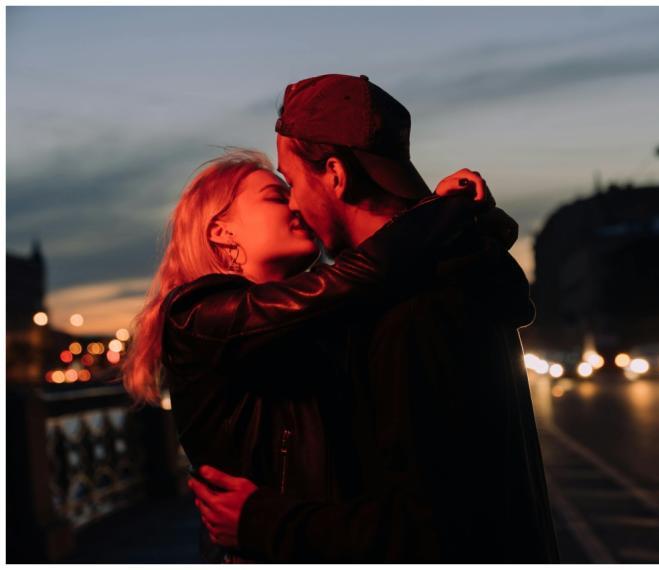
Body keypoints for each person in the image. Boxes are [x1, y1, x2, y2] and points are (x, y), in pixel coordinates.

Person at [189, 74, 559, 562]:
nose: (295, 203)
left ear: (336, 174)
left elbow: (434, 535)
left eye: (293, 181)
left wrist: (261, 521)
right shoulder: (449, 278)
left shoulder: (412, 310)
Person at [122, 147, 496, 562]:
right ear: (221, 231)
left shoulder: (316, 322)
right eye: (275, 196)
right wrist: (437, 212)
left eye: (292, 191)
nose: (296, 203)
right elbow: (357, 277)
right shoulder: (196, 315)